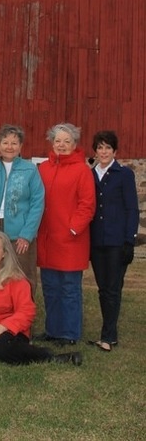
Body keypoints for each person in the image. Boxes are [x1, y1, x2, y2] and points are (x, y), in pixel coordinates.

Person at [0, 230, 81, 365]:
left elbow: (27, 311)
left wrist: (2, 327)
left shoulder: (15, 279)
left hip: (11, 332)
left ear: (4, 254)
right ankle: (13, 353)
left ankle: (48, 357)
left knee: (2, 345)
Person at [36, 123, 95, 345]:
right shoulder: (43, 168)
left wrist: (72, 228)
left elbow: (87, 205)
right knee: (50, 288)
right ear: (52, 143)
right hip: (47, 238)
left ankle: (69, 333)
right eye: (57, 141)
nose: (61, 145)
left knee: (69, 289)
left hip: (70, 240)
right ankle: (52, 330)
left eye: (66, 141)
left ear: (74, 144)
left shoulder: (82, 170)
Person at [0, 124, 44, 296]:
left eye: (14, 143)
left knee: (23, 277)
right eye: (5, 142)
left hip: (18, 233)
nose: (9, 147)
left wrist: (27, 234)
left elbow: (38, 202)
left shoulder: (30, 170)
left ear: (21, 146)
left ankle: (23, 319)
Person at [88, 130, 139, 351]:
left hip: (117, 241)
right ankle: (110, 333)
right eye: (100, 147)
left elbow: (132, 209)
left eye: (108, 147)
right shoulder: (90, 174)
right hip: (96, 240)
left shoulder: (124, 174)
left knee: (113, 288)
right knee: (102, 288)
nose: (104, 151)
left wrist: (130, 240)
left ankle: (108, 336)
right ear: (95, 151)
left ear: (115, 151)